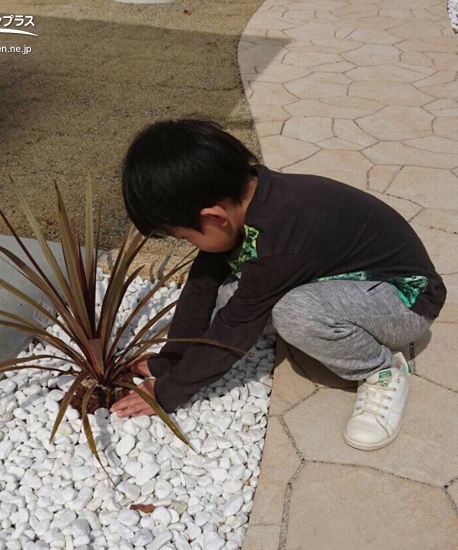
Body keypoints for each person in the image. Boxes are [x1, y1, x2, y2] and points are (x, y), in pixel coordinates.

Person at [110, 117, 446, 451]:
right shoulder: (244, 196)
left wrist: (168, 393)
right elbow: (203, 284)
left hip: (406, 298)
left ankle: (381, 370)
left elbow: (235, 329)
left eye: (184, 237)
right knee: (229, 296)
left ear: (214, 216)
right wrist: (171, 361)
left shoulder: (278, 241)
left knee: (294, 314)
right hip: (345, 278)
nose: (190, 245)